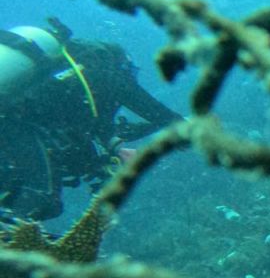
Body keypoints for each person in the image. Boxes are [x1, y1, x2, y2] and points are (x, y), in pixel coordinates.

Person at [0, 19, 182, 222]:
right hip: (12, 122)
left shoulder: (72, 84)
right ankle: (9, 240)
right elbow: (143, 103)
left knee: (12, 184)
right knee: (42, 197)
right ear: (122, 65)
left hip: (11, 123)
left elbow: (98, 127)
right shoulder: (105, 72)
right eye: (131, 74)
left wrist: (118, 149)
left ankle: (11, 234)